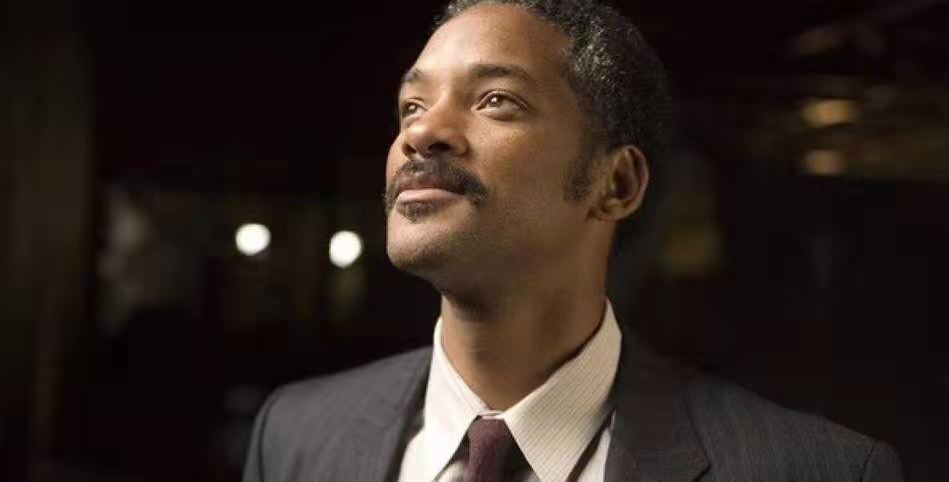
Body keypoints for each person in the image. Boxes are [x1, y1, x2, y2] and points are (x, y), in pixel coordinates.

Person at [243, 1, 904, 480]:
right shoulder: (295, 434)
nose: (420, 133)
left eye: (495, 100)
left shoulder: (815, 469)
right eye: (412, 106)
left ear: (615, 184)